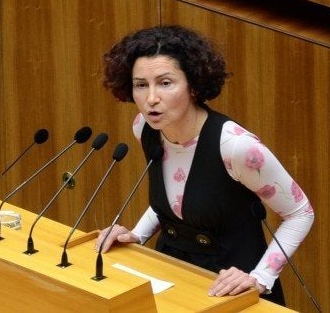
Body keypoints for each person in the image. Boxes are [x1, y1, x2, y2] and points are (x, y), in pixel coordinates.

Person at [95, 25, 314, 306]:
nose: (151, 98)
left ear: (194, 86)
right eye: (141, 85)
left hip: (233, 285)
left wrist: (260, 277)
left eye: (165, 83)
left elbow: (300, 213)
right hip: (173, 275)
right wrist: (136, 235)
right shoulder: (145, 129)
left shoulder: (236, 147)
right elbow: (175, 198)